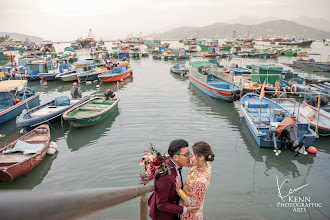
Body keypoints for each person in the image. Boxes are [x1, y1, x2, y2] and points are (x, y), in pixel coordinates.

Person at [148, 139, 199, 220]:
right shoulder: (165, 176)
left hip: (173, 211)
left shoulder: (176, 164)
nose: (189, 158)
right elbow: (161, 204)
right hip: (163, 216)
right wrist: (185, 210)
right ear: (176, 157)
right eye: (186, 155)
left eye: (189, 154)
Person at [176, 141, 214, 220]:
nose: (190, 157)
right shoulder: (205, 166)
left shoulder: (200, 181)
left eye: (192, 155)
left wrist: (179, 190)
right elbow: (191, 164)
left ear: (201, 157)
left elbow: (193, 205)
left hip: (190, 216)